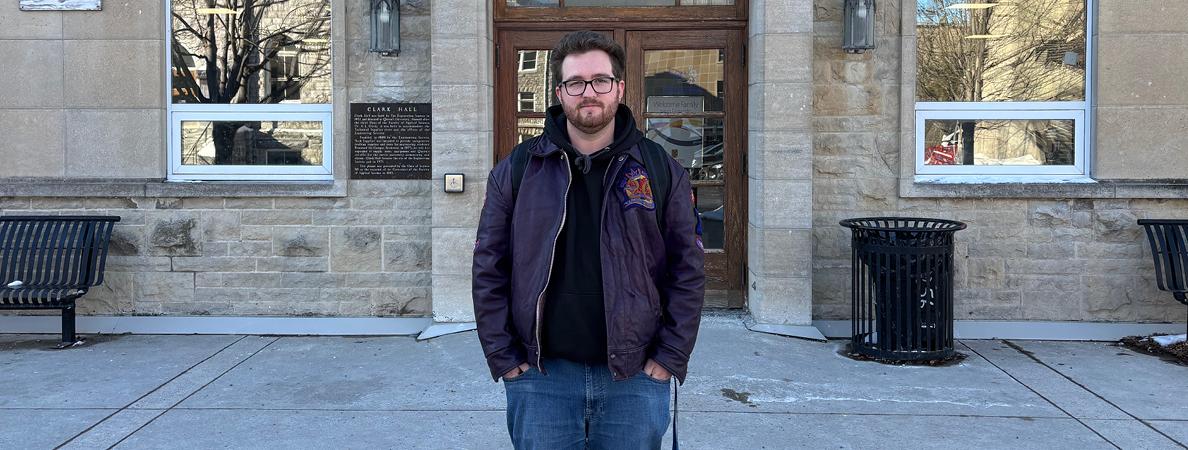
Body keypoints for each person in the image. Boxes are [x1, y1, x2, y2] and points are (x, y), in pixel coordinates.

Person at [472, 30, 706, 450]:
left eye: (600, 80)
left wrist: (668, 358)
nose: (589, 93)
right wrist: (505, 360)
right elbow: (488, 267)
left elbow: (687, 270)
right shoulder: (519, 169)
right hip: (541, 378)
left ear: (619, 87)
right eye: (575, 83)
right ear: (560, 93)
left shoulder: (659, 169)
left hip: (634, 378)